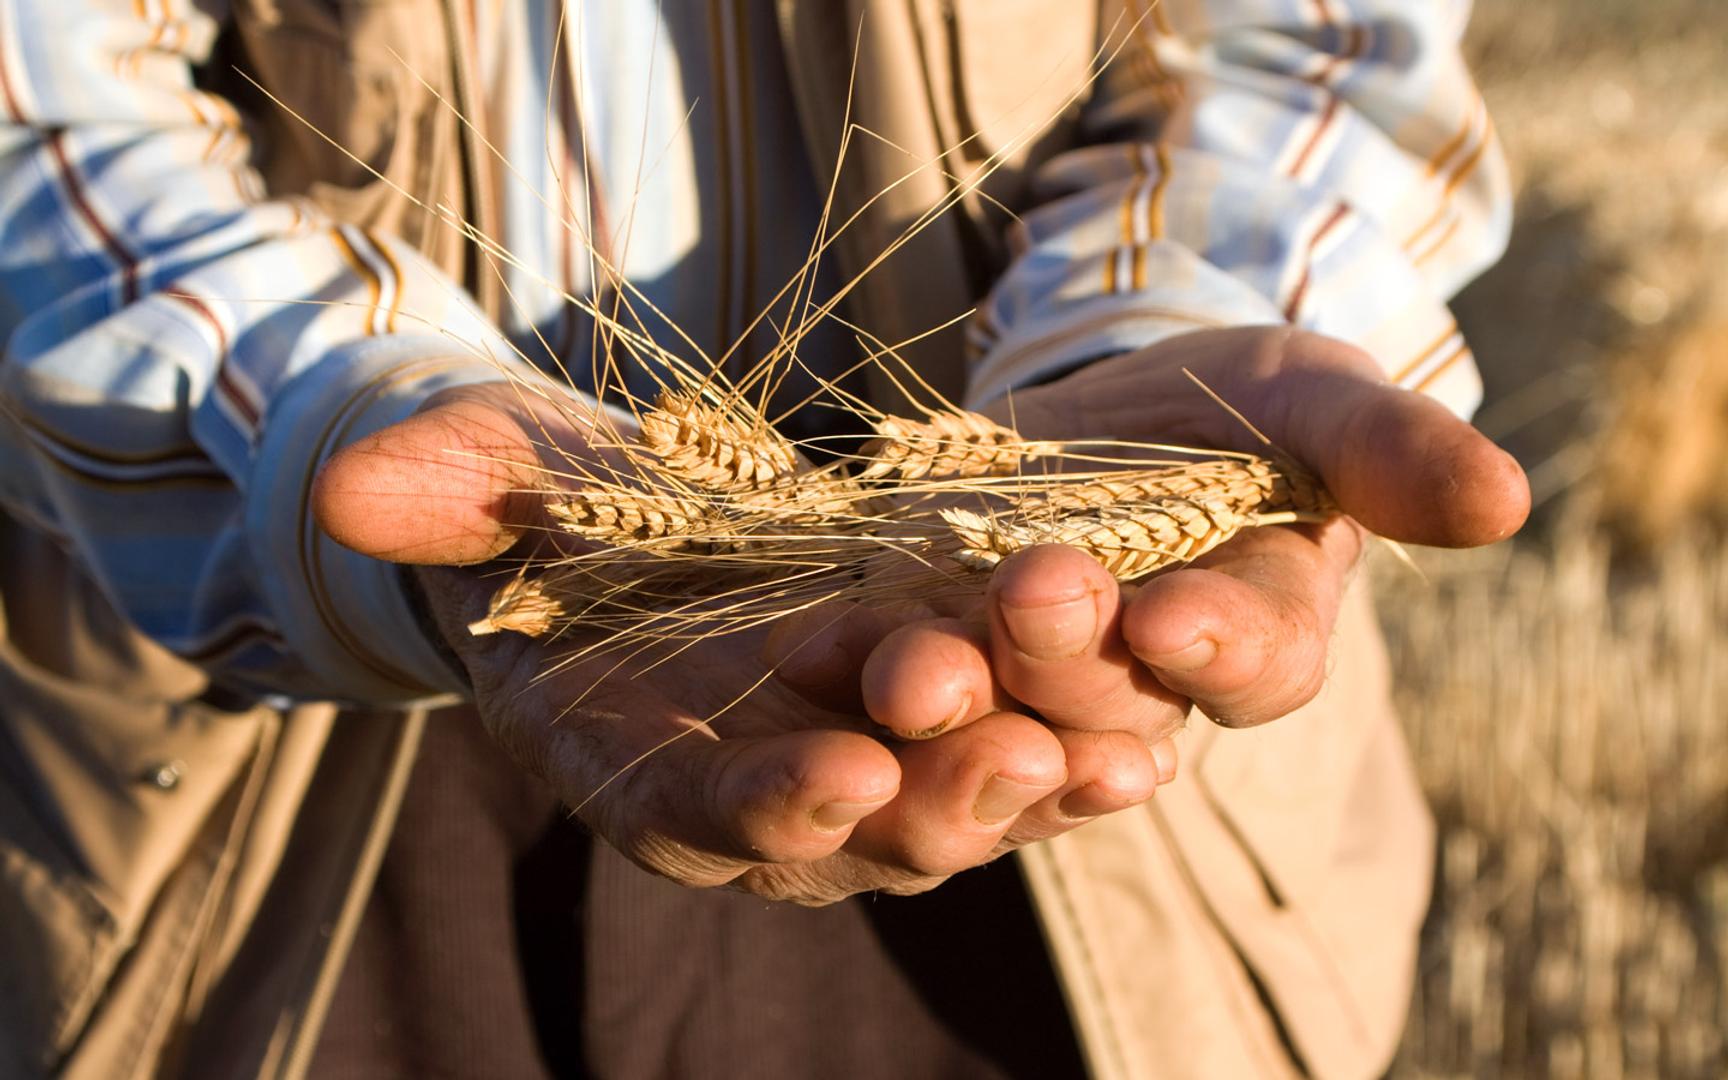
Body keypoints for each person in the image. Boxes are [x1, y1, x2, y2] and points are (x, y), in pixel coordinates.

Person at [0, 1, 1527, 1077]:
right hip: (320, 780)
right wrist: (319, 401)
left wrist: (1183, 326)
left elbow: (1299, 50)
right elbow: (42, 108)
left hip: (1061, 755)